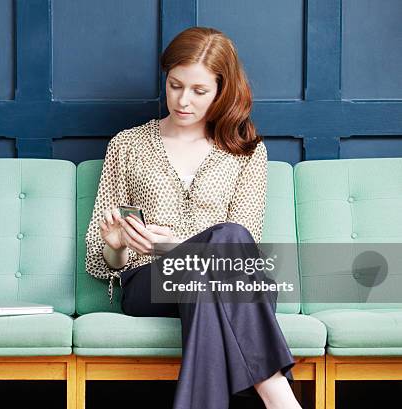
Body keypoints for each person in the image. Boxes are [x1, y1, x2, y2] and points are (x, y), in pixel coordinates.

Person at [84, 27, 302, 409]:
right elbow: (101, 263)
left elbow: (242, 244)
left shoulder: (247, 151)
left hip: (226, 278)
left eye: (199, 91)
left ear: (222, 90)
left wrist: (176, 245)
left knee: (220, 258)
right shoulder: (127, 145)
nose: (183, 100)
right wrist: (115, 246)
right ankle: (280, 398)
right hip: (149, 282)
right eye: (175, 85)